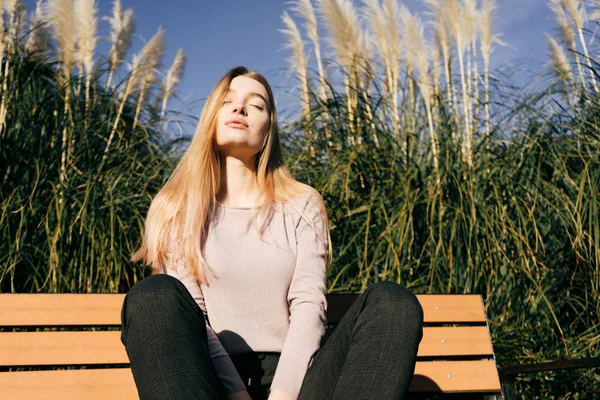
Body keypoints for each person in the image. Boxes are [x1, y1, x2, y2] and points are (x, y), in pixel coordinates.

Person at [120, 66, 424, 400]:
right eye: (228, 101)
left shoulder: (301, 204)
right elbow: (194, 320)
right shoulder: (177, 208)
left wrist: (283, 394)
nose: (240, 108)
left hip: (297, 382)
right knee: (154, 295)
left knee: (393, 303)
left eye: (256, 104)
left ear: (269, 127)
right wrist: (238, 394)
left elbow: (309, 306)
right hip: (208, 381)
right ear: (211, 116)